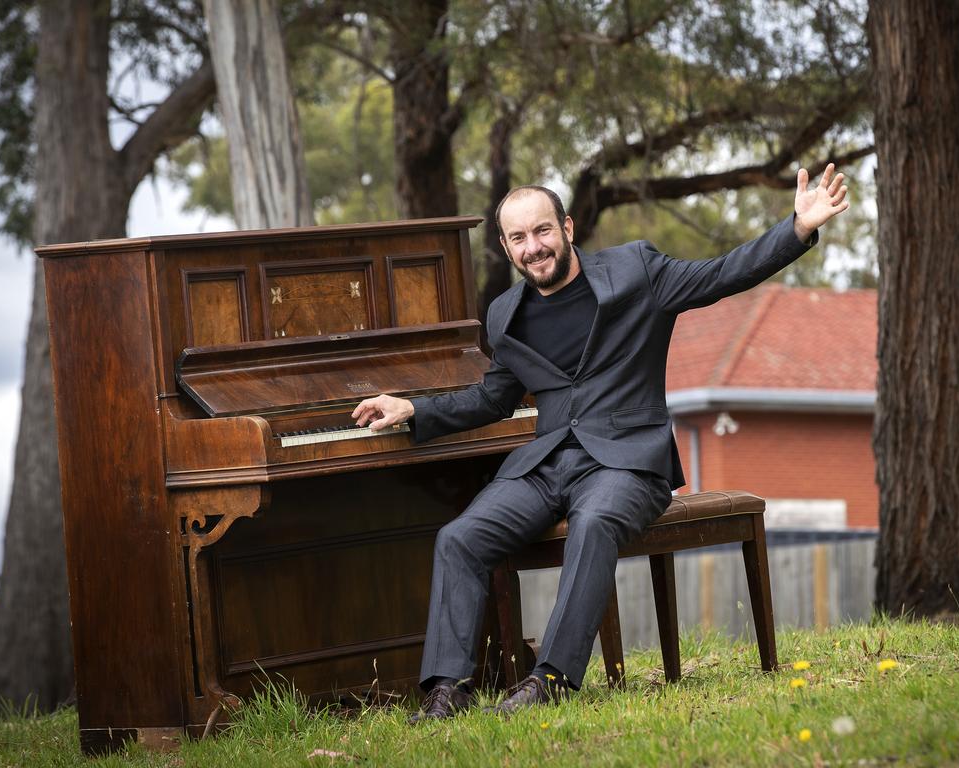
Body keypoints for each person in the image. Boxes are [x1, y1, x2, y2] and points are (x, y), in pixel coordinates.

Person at [352, 163, 849, 722]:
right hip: (546, 466)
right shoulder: (503, 316)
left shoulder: (636, 271)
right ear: (505, 246)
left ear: (566, 227)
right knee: (459, 538)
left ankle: (551, 679)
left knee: (592, 524)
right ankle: (448, 690)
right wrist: (415, 408)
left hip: (630, 463)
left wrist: (798, 229)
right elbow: (493, 399)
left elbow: (721, 274)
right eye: (519, 238)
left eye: (542, 231)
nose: (533, 248)